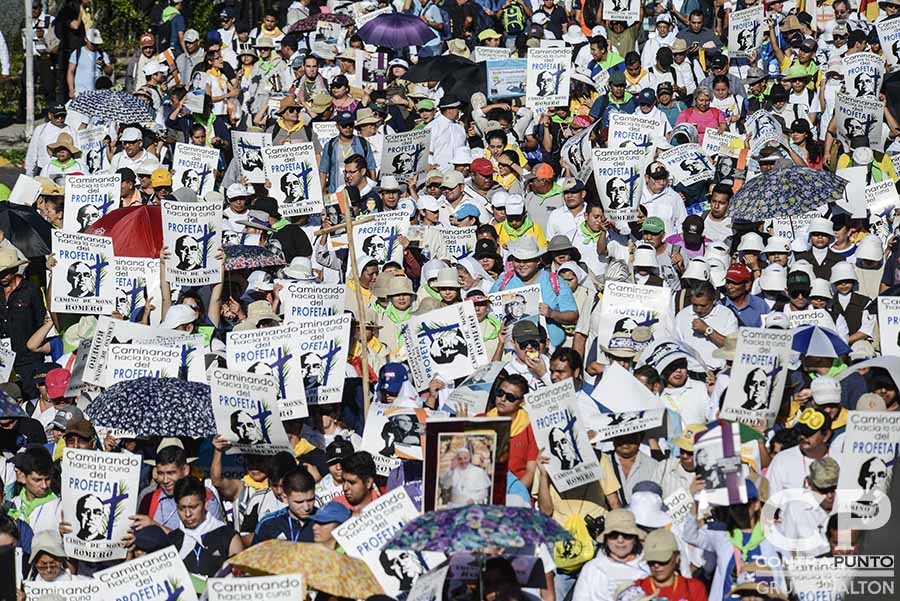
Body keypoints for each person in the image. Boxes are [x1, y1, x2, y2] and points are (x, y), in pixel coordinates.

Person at [168, 476, 243, 576]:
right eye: (182, 508)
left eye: (193, 507)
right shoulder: (171, 541)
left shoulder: (228, 537)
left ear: (206, 504)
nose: (187, 514)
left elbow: (239, 580)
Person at [253, 467, 316, 543]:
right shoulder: (268, 524)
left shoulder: (326, 521)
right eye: (299, 502)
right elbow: (256, 553)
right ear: (285, 497)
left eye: (310, 500)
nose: (306, 507)